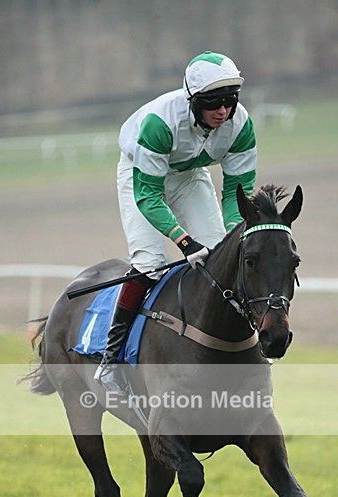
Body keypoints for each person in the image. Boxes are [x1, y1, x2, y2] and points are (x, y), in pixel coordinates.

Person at [94, 51, 257, 393]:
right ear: (193, 100)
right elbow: (148, 196)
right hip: (141, 177)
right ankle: (112, 357)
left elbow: (237, 192)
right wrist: (184, 242)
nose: (223, 111)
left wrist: (232, 233)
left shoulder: (241, 125)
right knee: (150, 264)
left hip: (188, 175)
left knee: (219, 259)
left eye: (229, 100)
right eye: (213, 102)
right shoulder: (160, 123)